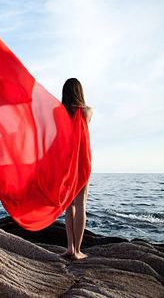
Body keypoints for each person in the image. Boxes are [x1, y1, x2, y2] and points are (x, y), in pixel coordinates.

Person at [60, 78, 93, 260]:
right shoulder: (87, 112)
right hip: (82, 162)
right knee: (81, 205)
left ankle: (70, 248)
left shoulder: (60, 113)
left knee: (69, 206)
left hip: (65, 163)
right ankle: (78, 251)